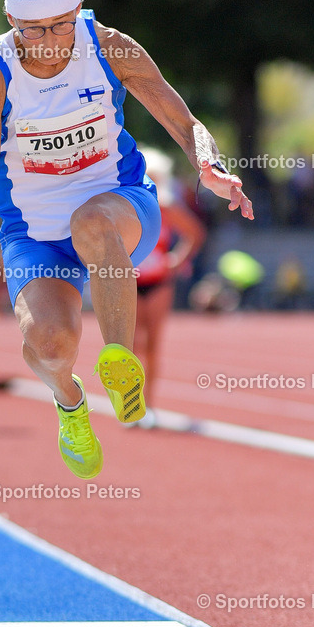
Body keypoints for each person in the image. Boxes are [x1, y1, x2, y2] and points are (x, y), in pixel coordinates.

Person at [0, 0, 253, 478]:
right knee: (50, 345)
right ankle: (68, 401)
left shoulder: (108, 46)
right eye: (34, 30)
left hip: (120, 204)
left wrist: (209, 166)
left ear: (77, 9)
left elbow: (184, 121)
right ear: (12, 19)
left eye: (61, 25)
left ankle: (120, 363)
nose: (50, 43)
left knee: (92, 220)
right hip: (34, 232)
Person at [133, 148, 206, 428]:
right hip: (131, 281)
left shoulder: (166, 209)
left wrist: (178, 259)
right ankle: (132, 402)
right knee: (131, 345)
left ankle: (148, 406)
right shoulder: (126, 206)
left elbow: (195, 233)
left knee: (152, 345)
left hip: (159, 281)